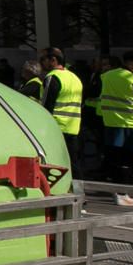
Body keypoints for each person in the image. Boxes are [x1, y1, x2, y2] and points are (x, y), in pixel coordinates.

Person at [97, 51, 133, 187]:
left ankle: (119, 187)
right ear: (129, 64)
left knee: (117, 158)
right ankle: (127, 188)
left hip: (113, 123)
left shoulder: (106, 76)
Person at [39, 48, 84, 176]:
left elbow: (46, 105)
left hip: (56, 126)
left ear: (53, 60)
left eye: (43, 59)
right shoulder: (74, 77)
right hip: (73, 126)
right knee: (73, 162)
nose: (41, 63)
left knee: (53, 161)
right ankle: (78, 188)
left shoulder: (53, 77)